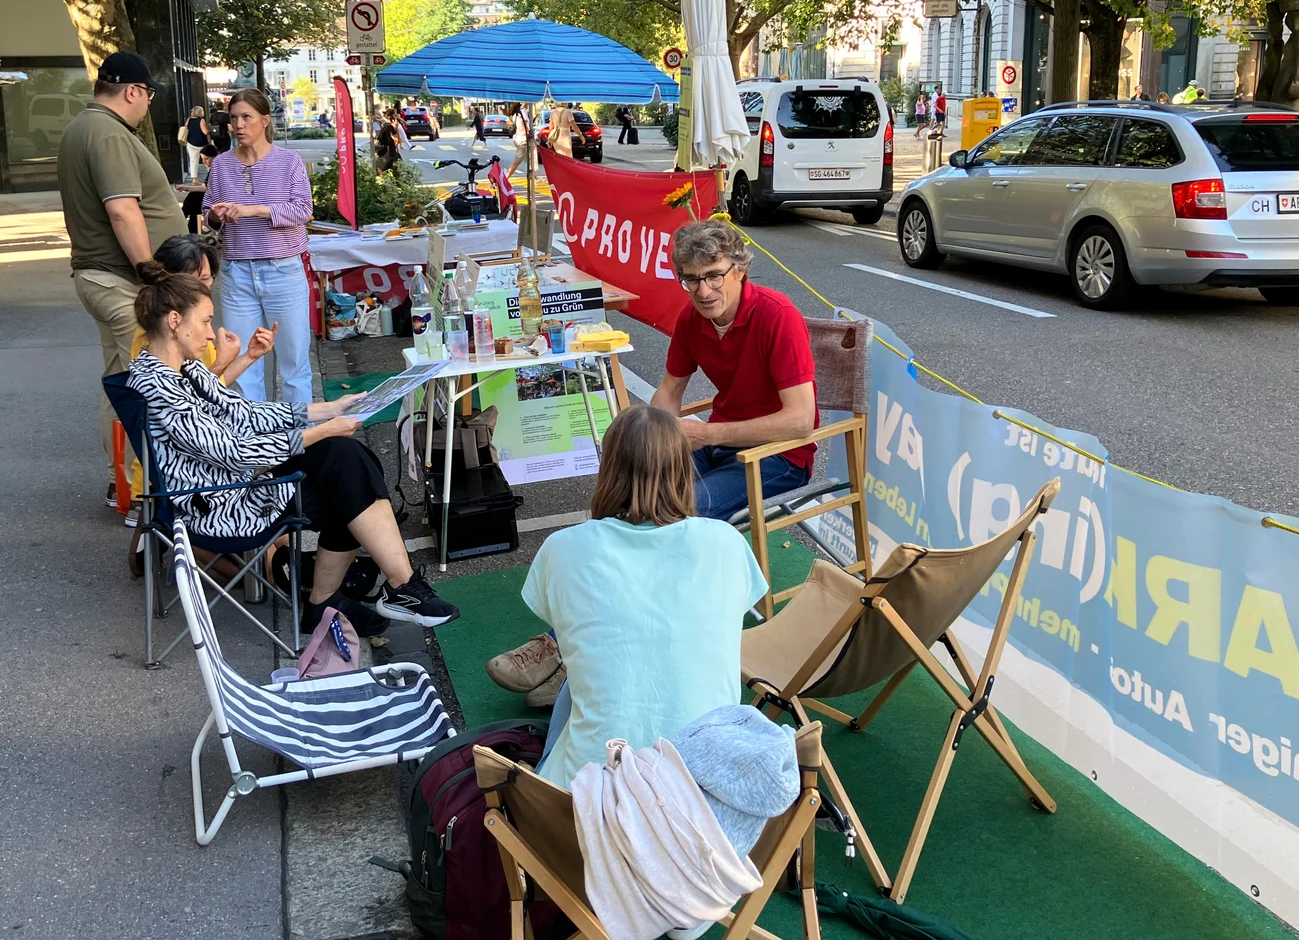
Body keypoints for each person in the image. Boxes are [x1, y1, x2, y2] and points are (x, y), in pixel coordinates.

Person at [125, 263, 459, 633]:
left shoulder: (181, 370)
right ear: (175, 321)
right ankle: (371, 592)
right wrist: (321, 430)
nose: (209, 335)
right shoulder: (160, 385)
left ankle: (374, 592)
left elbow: (246, 413)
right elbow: (233, 451)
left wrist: (329, 410)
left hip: (231, 484)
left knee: (347, 460)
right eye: (204, 322)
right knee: (344, 468)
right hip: (218, 503)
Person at [487, 405, 767, 784]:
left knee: (577, 682)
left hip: (594, 797)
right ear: (684, 468)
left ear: (608, 468)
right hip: (709, 789)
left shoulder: (563, 547)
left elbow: (565, 622)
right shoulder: (726, 542)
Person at [56, 50, 187, 511]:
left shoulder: (83, 128)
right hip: (120, 280)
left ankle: (126, 486)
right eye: (148, 94)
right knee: (147, 387)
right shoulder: (108, 134)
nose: (148, 103)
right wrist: (149, 270)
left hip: (105, 277)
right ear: (133, 91)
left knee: (121, 382)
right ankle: (146, 494)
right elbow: (121, 208)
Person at [649, 220, 816, 522]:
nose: (703, 291)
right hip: (719, 443)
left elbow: (801, 422)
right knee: (637, 494)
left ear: (739, 270)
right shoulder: (691, 317)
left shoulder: (777, 315)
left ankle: (705, 568)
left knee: (685, 509)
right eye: (692, 279)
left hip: (780, 454)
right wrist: (653, 437)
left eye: (714, 275)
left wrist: (707, 433)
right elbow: (670, 390)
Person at [122, 233, 276, 527]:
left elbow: (209, 389)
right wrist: (221, 361)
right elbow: (185, 398)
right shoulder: (155, 338)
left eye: (208, 279)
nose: (206, 288)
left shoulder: (189, 323)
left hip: (200, 458)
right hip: (180, 475)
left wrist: (248, 357)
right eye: (197, 280)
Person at [202, 86, 315, 405]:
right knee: (242, 364)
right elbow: (208, 213)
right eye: (233, 118)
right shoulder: (222, 165)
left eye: (246, 118)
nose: (238, 125)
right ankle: (253, 443)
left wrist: (254, 209)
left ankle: (301, 441)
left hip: (283, 269)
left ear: (264, 120)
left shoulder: (288, 161)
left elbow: (303, 211)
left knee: (293, 363)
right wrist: (216, 214)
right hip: (236, 272)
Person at [181, 142, 218, 234]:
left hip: (215, 197)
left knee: (194, 199)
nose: (204, 161)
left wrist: (186, 188)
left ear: (215, 157)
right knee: (194, 200)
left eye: (207, 159)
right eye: (203, 159)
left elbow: (204, 188)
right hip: (212, 195)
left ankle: (184, 220)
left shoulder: (216, 169)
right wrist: (186, 188)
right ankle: (187, 223)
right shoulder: (214, 169)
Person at [180, 106, 208, 183]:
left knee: (193, 161)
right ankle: (211, 176)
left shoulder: (189, 120)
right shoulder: (201, 120)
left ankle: (194, 179)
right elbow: (205, 132)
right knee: (207, 160)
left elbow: (185, 128)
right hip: (201, 143)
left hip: (191, 143)